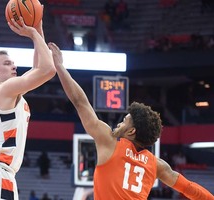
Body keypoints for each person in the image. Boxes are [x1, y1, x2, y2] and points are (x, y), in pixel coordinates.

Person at [48, 42, 214, 200]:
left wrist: (60, 67)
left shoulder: (109, 141)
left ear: (131, 131)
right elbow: (188, 187)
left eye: (125, 121)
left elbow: (80, 102)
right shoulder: (157, 164)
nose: (119, 123)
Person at [0, 11, 56, 200]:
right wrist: (32, 34)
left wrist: (38, 29)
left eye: (13, 63)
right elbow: (47, 69)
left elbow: (37, 68)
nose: (14, 67)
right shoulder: (5, 89)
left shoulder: (3, 92)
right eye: (7, 64)